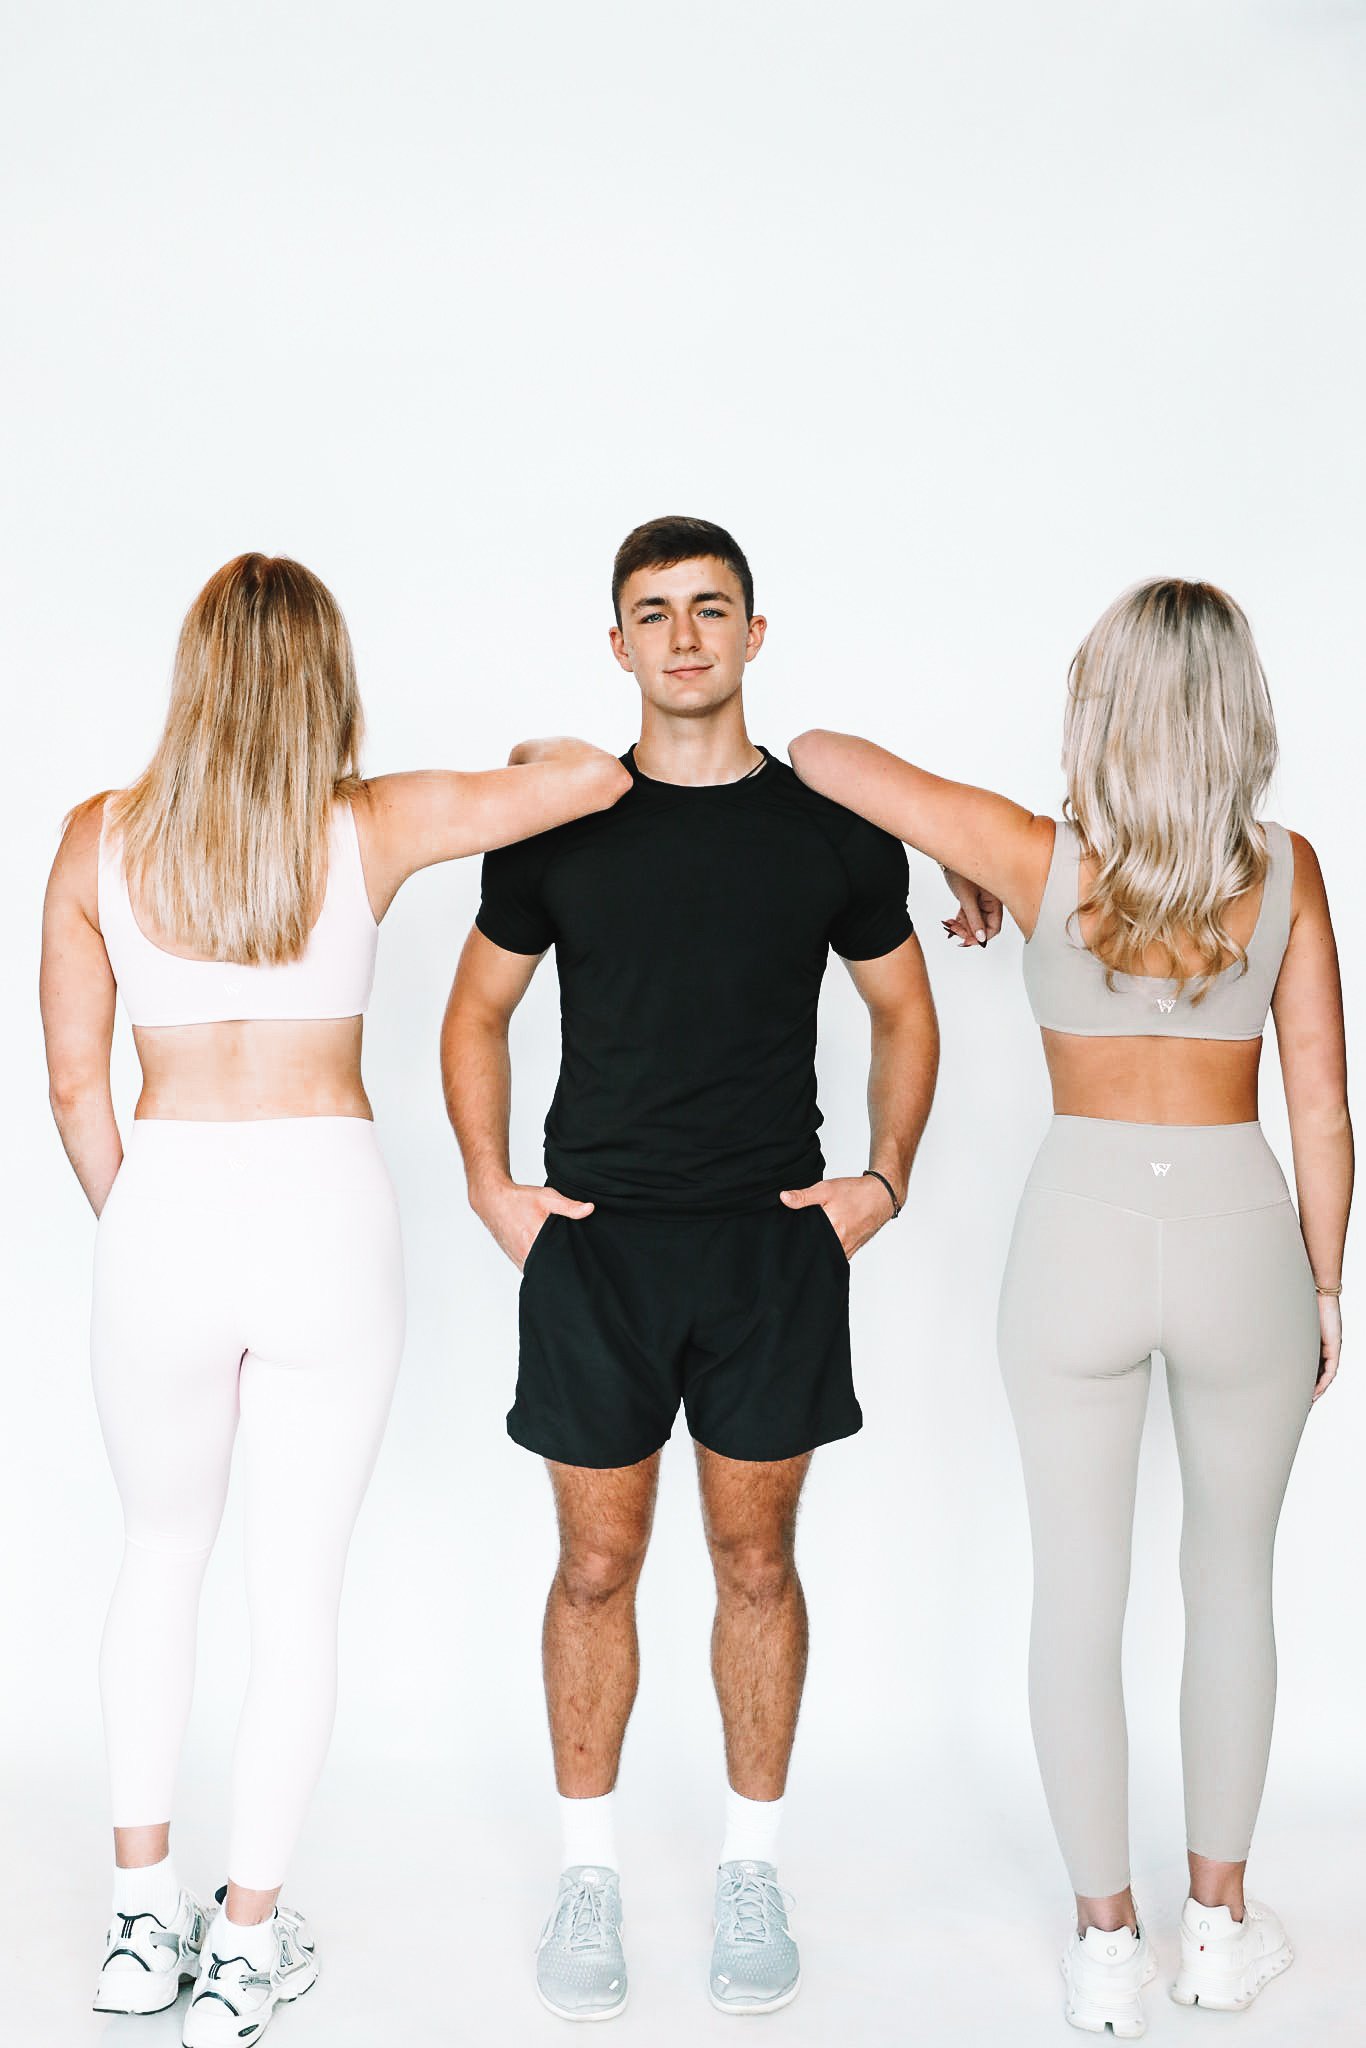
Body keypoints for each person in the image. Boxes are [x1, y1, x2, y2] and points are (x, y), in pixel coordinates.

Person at [39, 553, 630, 2046]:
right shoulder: (371, 821)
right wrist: (513, 762)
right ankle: (244, 1950)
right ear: (325, 679)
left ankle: (133, 1926)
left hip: (164, 1202)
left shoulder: (95, 838)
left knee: (160, 1556)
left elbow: (70, 1080)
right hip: (322, 1210)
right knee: (293, 1589)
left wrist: (149, 1224)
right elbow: (593, 781)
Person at [787, 578, 1352, 2037]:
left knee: (1075, 1595)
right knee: (1232, 1587)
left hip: (1076, 1237)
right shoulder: (1287, 871)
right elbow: (1323, 1112)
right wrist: (1326, 1283)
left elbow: (818, 750)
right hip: (1240, 1234)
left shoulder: (1040, 857)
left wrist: (962, 851)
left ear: (1098, 709)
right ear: (1239, 715)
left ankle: (1107, 1942)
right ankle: (1217, 1930)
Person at [441, 514, 939, 2020]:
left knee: (751, 1563)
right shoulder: (558, 824)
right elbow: (472, 1017)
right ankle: (586, 1880)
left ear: (752, 633)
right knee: (595, 1565)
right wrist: (492, 1190)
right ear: (615, 645)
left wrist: (881, 1183)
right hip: (596, 1251)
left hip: (767, 1250)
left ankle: (750, 1871)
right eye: (650, 613)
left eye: (707, 608)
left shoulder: (828, 832)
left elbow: (908, 1019)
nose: (680, 636)